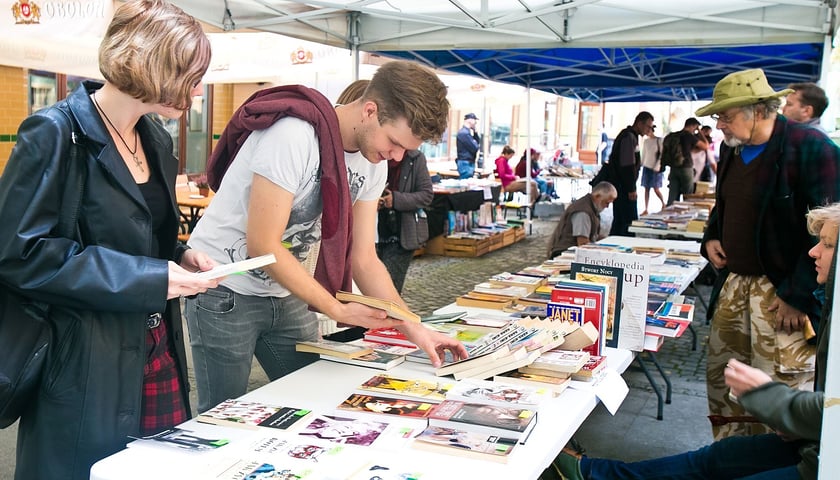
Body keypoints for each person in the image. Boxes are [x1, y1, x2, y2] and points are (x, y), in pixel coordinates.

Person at [0, 2, 219, 478]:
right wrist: (148, 276)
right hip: (82, 356)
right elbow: (20, 254)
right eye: (190, 74)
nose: (197, 89)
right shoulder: (54, 133)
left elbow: (141, 235)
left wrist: (180, 255)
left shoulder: (156, 139)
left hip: (156, 343)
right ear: (153, 66)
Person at [185, 61, 468, 414]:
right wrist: (335, 308)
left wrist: (416, 328)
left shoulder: (374, 161)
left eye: (404, 151)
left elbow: (363, 256)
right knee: (221, 415)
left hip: (285, 289)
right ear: (369, 110)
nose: (396, 157)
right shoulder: (293, 135)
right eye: (394, 143)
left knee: (317, 402)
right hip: (225, 287)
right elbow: (264, 243)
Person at [547, 202, 839, 480]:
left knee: (721, 461)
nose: (813, 252)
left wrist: (775, 402)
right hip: (814, 442)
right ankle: (593, 473)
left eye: (827, 245)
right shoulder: (829, 302)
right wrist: (799, 423)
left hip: (821, 461)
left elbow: (833, 411)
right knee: (717, 458)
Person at [697, 68, 840, 440]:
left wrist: (798, 293)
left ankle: (774, 463)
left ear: (758, 110)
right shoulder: (734, 150)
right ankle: (727, 455)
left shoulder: (810, 147)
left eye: (726, 116)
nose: (720, 125)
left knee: (778, 384)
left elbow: (832, 229)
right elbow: (725, 204)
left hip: (780, 293)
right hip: (735, 285)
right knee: (726, 378)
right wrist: (712, 236)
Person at [376, 149, 434, 294]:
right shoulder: (374, 154)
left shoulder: (415, 158)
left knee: (388, 290)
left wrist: (396, 199)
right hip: (372, 234)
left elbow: (426, 195)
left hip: (402, 235)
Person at [607, 111, 654, 236]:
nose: (649, 130)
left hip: (622, 185)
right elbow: (627, 166)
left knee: (622, 220)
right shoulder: (628, 137)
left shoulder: (632, 136)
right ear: (639, 123)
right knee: (626, 221)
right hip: (623, 186)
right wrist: (631, 188)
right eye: (648, 126)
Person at [547, 181, 617, 258]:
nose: (607, 206)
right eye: (606, 202)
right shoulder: (583, 211)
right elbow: (583, 243)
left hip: (571, 251)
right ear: (597, 196)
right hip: (564, 253)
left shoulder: (591, 207)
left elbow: (593, 235)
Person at [665, 117, 709, 205]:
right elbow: (706, 146)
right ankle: (684, 216)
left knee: (672, 197)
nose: (695, 130)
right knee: (688, 197)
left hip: (673, 168)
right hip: (686, 168)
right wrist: (700, 132)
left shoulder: (673, 135)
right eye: (696, 128)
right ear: (692, 126)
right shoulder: (689, 136)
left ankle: (669, 216)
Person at [639, 125, 664, 215]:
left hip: (655, 168)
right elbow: (644, 153)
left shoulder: (659, 140)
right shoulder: (646, 141)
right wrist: (641, 164)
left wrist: (658, 165)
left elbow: (662, 154)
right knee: (646, 188)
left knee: (656, 188)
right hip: (647, 166)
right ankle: (646, 208)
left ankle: (663, 203)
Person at [456, 112, 480, 179]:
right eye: (475, 120)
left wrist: (475, 133)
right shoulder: (464, 133)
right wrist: (475, 142)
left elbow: (477, 144)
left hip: (467, 162)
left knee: (467, 183)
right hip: (465, 163)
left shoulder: (467, 133)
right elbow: (475, 147)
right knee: (466, 184)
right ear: (470, 120)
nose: (475, 123)